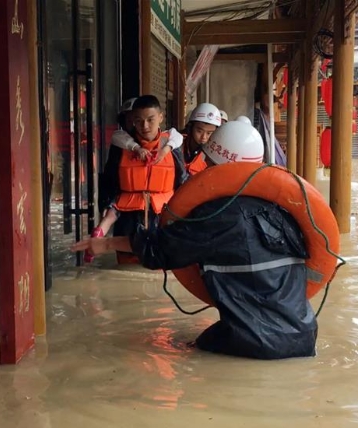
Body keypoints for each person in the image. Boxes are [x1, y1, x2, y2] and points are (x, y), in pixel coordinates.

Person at [72, 117, 318, 360]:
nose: (206, 171)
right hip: (304, 334)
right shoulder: (281, 210)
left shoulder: (222, 215)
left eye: (210, 164)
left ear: (223, 168)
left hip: (254, 341)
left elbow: (161, 248)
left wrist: (105, 243)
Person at [90, 98, 184, 263]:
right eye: (139, 121)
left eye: (150, 120)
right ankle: (94, 244)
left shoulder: (172, 146)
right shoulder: (122, 145)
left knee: (160, 263)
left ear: (160, 117)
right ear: (133, 121)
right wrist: (106, 204)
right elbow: (110, 177)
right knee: (125, 270)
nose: (145, 126)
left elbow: (181, 180)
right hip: (128, 217)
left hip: (160, 215)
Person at [180, 103, 222, 176]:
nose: (204, 137)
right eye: (199, 131)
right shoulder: (176, 143)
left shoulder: (213, 156)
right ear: (190, 127)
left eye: (209, 133)